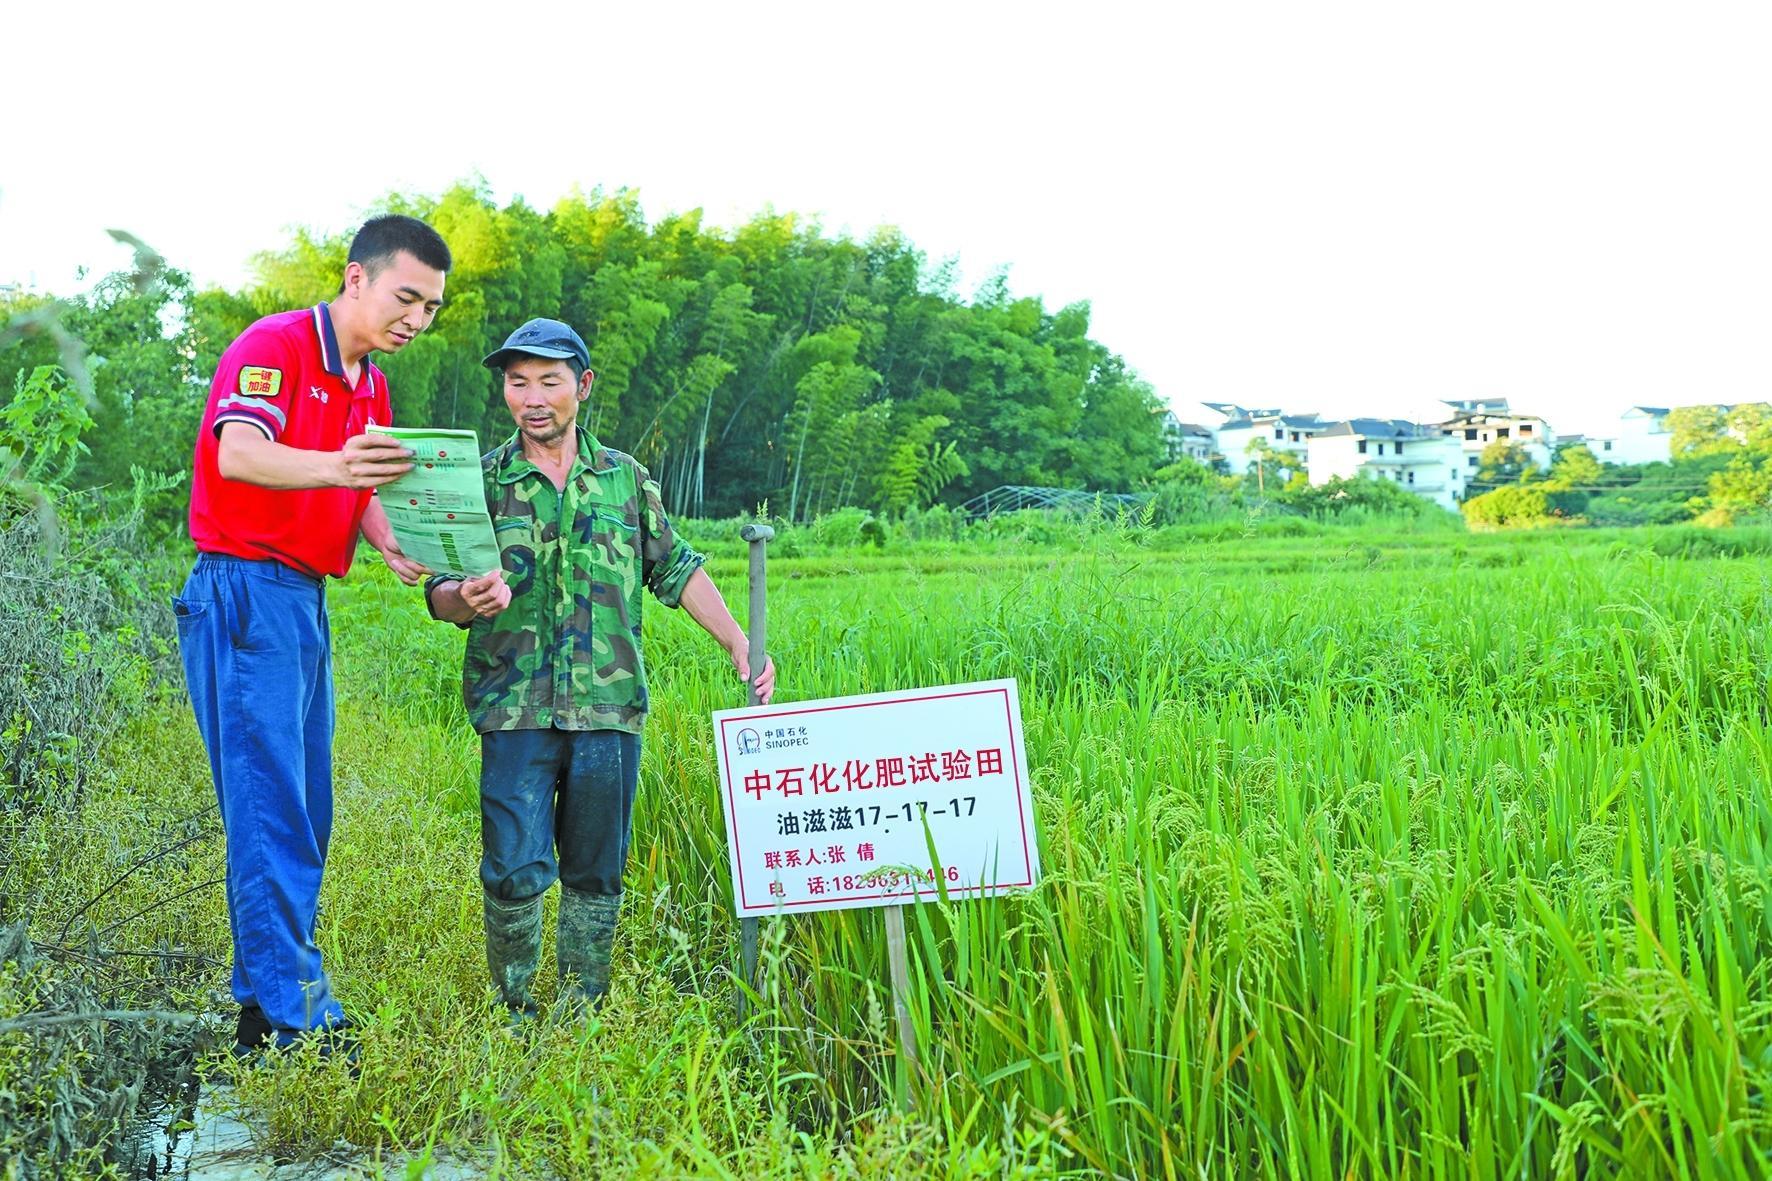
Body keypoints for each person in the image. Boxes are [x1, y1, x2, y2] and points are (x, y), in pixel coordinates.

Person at [424, 317, 775, 1017]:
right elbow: (438, 589)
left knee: (596, 868)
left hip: (609, 707)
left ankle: (581, 1005)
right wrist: (462, 596)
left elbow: (674, 566)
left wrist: (737, 638)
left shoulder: (624, 479)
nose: (532, 397)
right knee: (514, 868)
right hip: (514, 703)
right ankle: (514, 1006)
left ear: (581, 387)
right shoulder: (482, 481)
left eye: (549, 381)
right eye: (518, 381)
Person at [175, 215, 450, 1057]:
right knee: (271, 809)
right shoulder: (279, 345)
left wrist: (393, 542)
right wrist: (336, 464)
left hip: (300, 598)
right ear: (356, 278)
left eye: (433, 308)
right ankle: (295, 1017)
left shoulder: (370, 382)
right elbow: (240, 455)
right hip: (246, 586)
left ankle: (262, 1005)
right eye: (407, 297)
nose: (418, 319)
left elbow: (363, 485)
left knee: (305, 807)